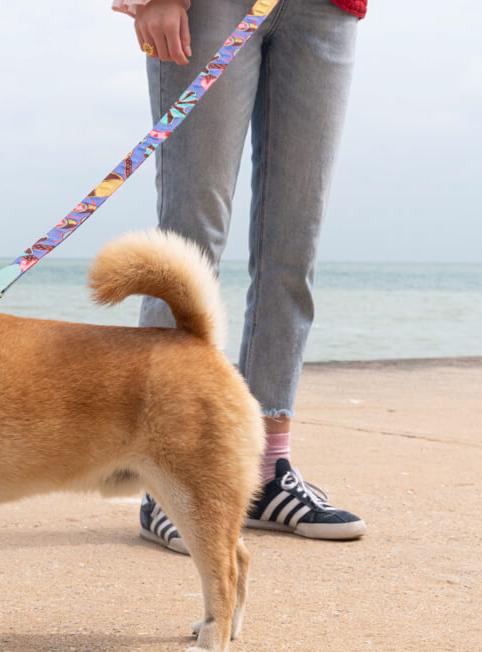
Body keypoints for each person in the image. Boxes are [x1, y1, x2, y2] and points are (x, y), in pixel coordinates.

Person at [113, 0, 368, 552]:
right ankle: (165, 478)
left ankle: (266, 472)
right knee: (190, 239)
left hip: (328, 9)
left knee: (294, 245)